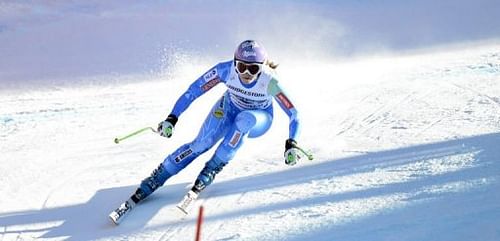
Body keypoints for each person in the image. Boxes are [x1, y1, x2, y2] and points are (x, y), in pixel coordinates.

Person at [109, 40, 303, 224]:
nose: (246, 73)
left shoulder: (270, 81)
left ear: (262, 68)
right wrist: (172, 118)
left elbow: (293, 113)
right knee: (201, 143)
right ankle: (156, 178)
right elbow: (193, 91)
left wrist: (291, 143)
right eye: (241, 66)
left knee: (244, 121)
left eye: (253, 69)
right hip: (229, 107)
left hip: (259, 117)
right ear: (234, 63)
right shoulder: (225, 70)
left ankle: (211, 169)